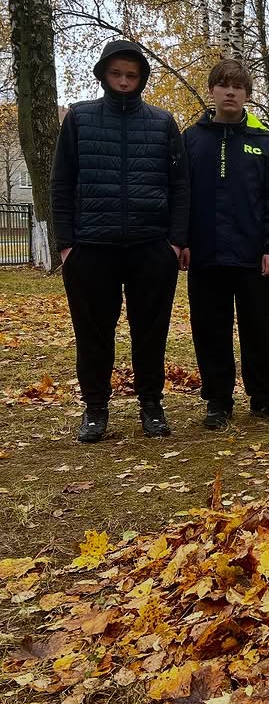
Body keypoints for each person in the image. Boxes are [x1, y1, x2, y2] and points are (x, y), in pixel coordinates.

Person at [51, 39, 189, 442]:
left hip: (151, 247)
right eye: (117, 74)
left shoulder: (163, 123)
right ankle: (95, 409)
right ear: (103, 75)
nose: (124, 81)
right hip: (92, 248)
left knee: (151, 330)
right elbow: (61, 184)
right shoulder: (79, 119)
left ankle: (152, 406)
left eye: (132, 74)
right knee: (93, 333)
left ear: (142, 77)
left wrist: (175, 241)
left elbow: (180, 187)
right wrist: (66, 245)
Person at [180, 59, 269, 430]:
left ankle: (263, 397)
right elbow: (180, 194)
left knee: (257, 327)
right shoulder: (191, 140)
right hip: (205, 253)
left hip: (253, 255)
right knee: (210, 328)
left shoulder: (264, 142)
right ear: (212, 91)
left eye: (238, 87)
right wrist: (181, 240)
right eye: (223, 85)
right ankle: (217, 400)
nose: (230, 92)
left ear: (247, 94)